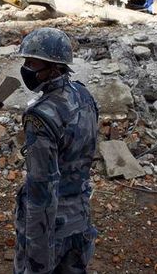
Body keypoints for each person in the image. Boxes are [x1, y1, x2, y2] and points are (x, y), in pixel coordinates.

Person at [14, 27, 99, 274]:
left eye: (32, 63)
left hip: (52, 228)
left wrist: (38, 260)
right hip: (80, 217)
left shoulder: (41, 116)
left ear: (53, 66)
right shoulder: (83, 95)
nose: (26, 69)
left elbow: (42, 190)